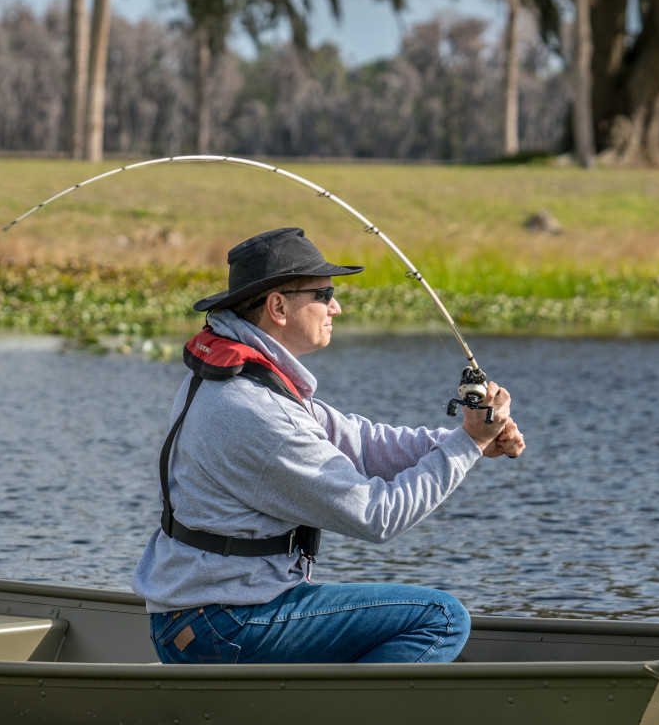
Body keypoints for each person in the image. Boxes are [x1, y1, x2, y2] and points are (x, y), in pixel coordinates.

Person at [134, 226, 524, 665]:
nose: (335, 306)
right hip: (221, 624)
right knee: (442, 618)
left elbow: (359, 442)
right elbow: (376, 516)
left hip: (203, 614)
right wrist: (468, 444)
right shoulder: (255, 411)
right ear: (278, 306)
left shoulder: (241, 380)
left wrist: (463, 439)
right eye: (323, 293)